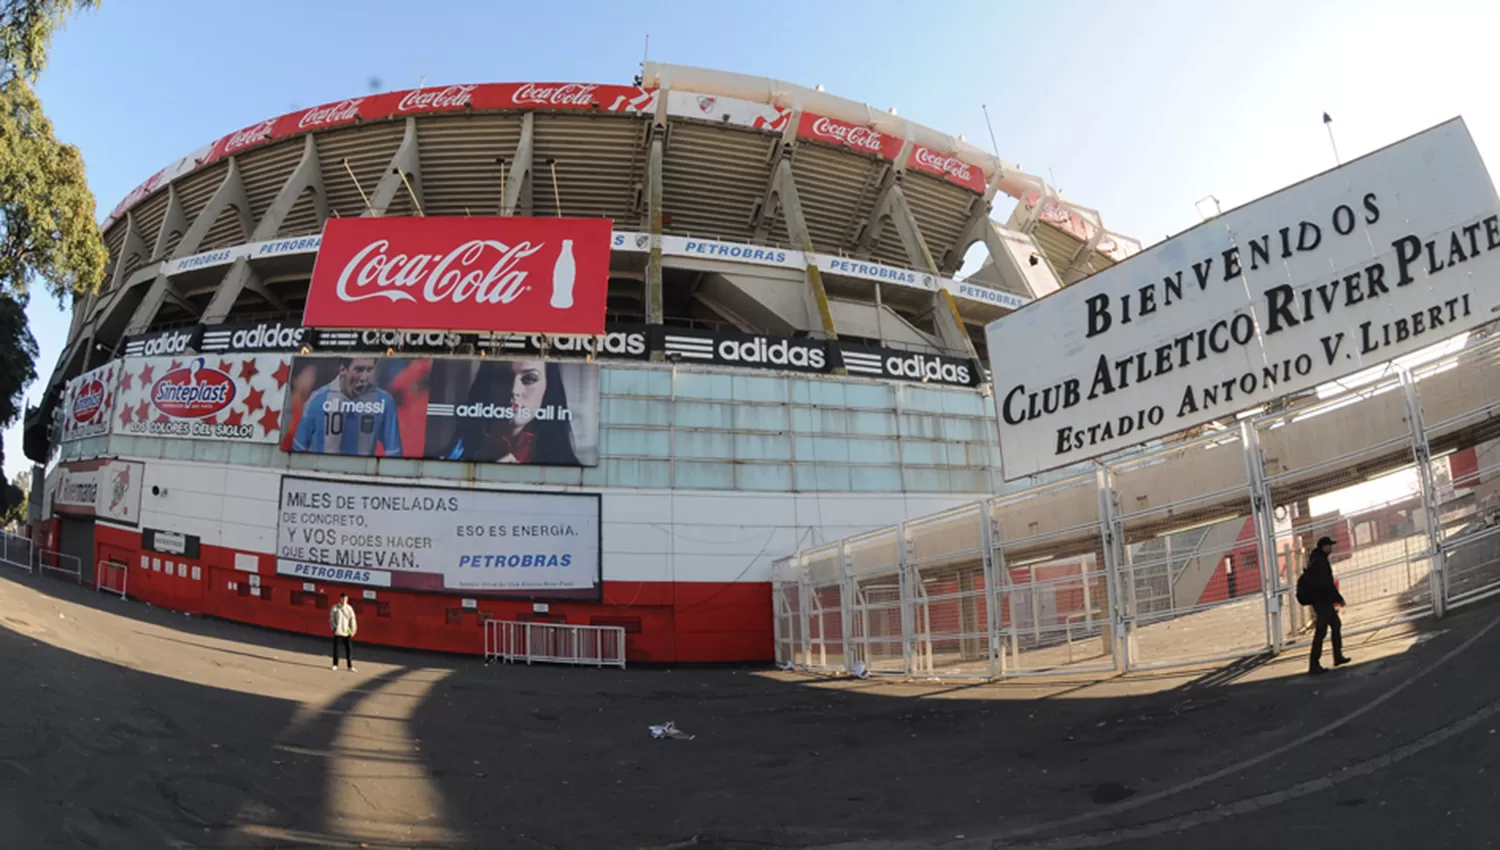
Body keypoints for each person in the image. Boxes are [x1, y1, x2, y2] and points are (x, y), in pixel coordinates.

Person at [437, 360, 580, 465]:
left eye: (529, 379)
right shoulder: (446, 461)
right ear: (487, 383)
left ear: (548, 386)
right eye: (503, 377)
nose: (514, 390)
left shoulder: (572, 468)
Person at [292, 357, 403, 456]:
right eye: (359, 370)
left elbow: (393, 452)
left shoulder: (384, 401)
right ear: (343, 370)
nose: (364, 377)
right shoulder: (317, 400)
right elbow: (298, 449)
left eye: (369, 370)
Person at [1302, 536, 1351, 675]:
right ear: (1324, 547)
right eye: (1329, 546)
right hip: (1322, 602)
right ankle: (1314, 664)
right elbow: (1327, 584)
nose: (1331, 548)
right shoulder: (1320, 562)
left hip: (1322, 601)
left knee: (1336, 625)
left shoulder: (1317, 559)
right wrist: (1338, 598)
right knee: (1321, 632)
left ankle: (1337, 656)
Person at [330, 592, 358, 672]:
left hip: (346, 631)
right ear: (340, 599)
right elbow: (331, 619)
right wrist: (334, 628)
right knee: (336, 649)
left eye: (346, 599)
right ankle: (335, 664)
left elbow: (352, 620)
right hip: (338, 631)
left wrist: (352, 631)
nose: (344, 600)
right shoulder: (335, 608)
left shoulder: (349, 608)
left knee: (349, 649)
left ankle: (350, 666)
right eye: (343, 598)